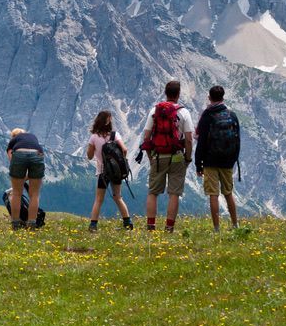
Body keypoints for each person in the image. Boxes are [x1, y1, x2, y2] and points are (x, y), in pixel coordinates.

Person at [141, 80, 194, 231]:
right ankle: (169, 228)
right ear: (178, 94)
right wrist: (188, 158)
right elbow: (189, 139)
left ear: (165, 93)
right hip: (177, 156)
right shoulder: (184, 112)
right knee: (174, 193)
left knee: (153, 192)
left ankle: (151, 227)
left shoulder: (154, 111)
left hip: (158, 156)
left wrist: (150, 157)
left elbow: (146, 137)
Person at [194, 85, 240, 233]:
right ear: (223, 97)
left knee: (213, 194)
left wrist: (198, 164)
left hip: (210, 161)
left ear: (209, 97)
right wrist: (233, 160)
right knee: (228, 193)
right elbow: (238, 139)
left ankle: (216, 228)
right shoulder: (232, 115)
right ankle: (235, 225)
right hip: (227, 161)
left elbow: (200, 142)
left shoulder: (207, 116)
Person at [86, 110, 134, 232]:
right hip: (116, 171)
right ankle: (127, 223)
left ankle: (93, 225)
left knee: (98, 199)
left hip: (102, 172)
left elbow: (89, 156)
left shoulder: (93, 137)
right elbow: (125, 149)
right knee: (118, 197)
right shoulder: (115, 135)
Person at [6, 128, 45, 230]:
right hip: (38, 153)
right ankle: (32, 224)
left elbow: (12, 161)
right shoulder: (32, 136)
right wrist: (25, 178)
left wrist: (18, 180)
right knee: (34, 194)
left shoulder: (13, 141)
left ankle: (15, 224)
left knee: (16, 193)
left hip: (19, 155)